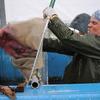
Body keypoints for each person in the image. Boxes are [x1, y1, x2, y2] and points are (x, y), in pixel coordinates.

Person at [43, 8, 100, 83]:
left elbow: (69, 37)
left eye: (94, 23)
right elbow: (57, 45)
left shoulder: (96, 44)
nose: (89, 25)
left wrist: (53, 18)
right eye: (89, 22)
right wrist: (34, 43)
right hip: (78, 90)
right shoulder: (86, 46)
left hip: (90, 93)